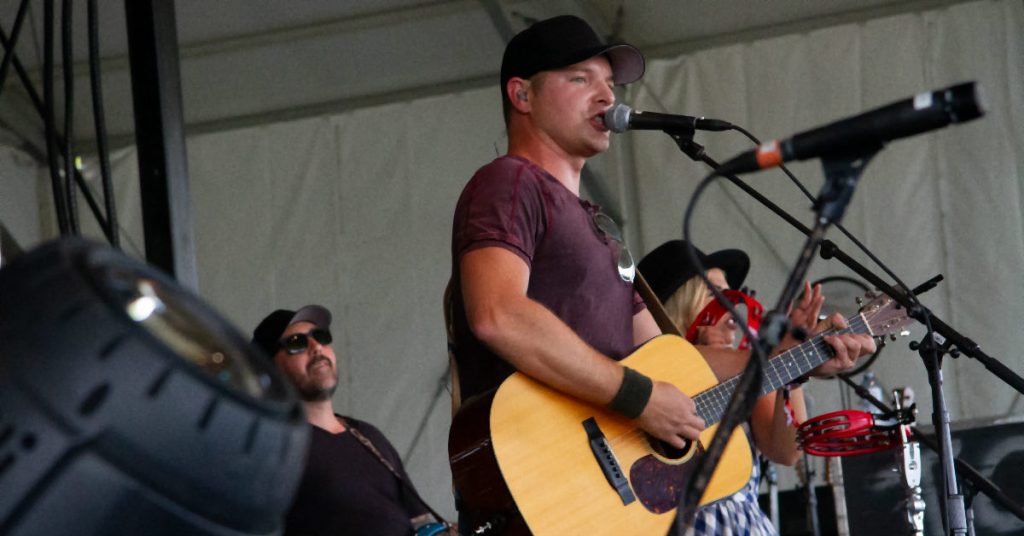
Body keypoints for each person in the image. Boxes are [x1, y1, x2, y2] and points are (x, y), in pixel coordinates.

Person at [448, 13, 873, 531]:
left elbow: (677, 363)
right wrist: (638, 397)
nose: (607, 97)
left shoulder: (598, 230)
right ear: (522, 95)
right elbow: (498, 314)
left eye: (610, 82)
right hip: (535, 467)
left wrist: (788, 359)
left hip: (592, 492)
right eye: (581, 79)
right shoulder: (511, 183)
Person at [640, 240, 818, 535]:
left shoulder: (746, 372)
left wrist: (792, 366)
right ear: (683, 303)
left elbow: (787, 451)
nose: (733, 317)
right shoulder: (653, 370)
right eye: (715, 298)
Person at [252, 305, 446, 536]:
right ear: (269, 369)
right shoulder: (273, 445)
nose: (316, 348)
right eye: (297, 342)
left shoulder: (367, 435)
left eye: (321, 337)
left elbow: (422, 522)